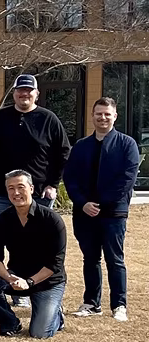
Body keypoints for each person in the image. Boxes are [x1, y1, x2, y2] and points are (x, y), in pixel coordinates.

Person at [63, 97, 140, 321]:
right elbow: (70, 178)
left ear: (115, 116)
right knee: (90, 259)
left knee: (115, 260)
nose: (103, 118)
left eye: (107, 114)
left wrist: (102, 204)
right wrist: (83, 203)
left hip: (113, 213)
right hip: (84, 212)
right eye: (99, 114)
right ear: (92, 116)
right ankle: (91, 303)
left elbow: (127, 179)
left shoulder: (127, 144)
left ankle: (119, 305)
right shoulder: (81, 146)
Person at [0, 169, 68, 339]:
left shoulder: (52, 220)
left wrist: (29, 282)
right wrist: (9, 277)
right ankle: (9, 322)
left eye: (21, 187)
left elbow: (55, 264)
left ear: (31, 189)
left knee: (40, 333)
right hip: (17, 277)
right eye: (11, 188)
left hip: (48, 281)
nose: (16, 193)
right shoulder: (2, 221)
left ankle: (57, 315)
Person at [0, 75, 71, 219]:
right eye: (20, 90)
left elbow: (63, 153)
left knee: (36, 233)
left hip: (38, 195)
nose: (24, 94)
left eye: (29, 90)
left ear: (37, 94)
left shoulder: (49, 119)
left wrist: (52, 185)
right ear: (14, 93)